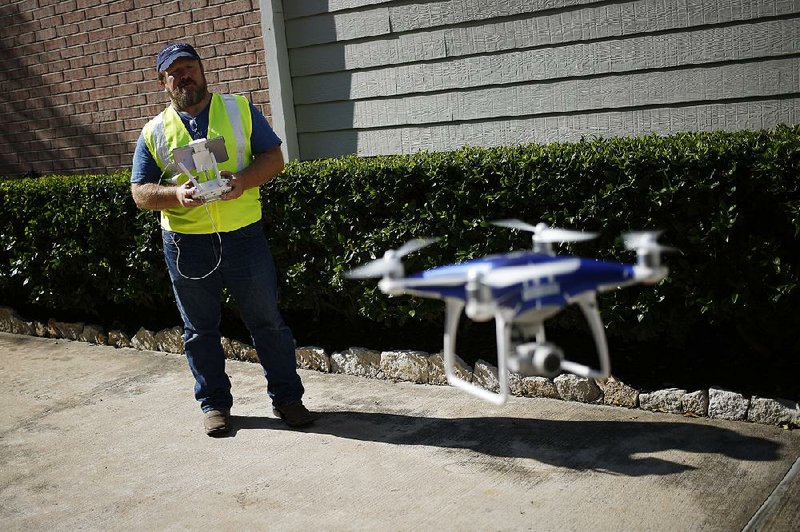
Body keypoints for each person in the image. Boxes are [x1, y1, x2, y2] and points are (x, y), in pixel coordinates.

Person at [130, 42, 313, 435]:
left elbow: (274, 158)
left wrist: (242, 181)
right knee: (199, 330)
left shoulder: (239, 109)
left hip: (244, 237)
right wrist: (176, 195)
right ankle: (214, 405)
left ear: (202, 69)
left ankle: (287, 399)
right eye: (174, 72)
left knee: (268, 323)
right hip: (185, 243)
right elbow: (140, 192)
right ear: (164, 83)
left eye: (189, 67)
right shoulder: (154, 131)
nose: (184, 76)